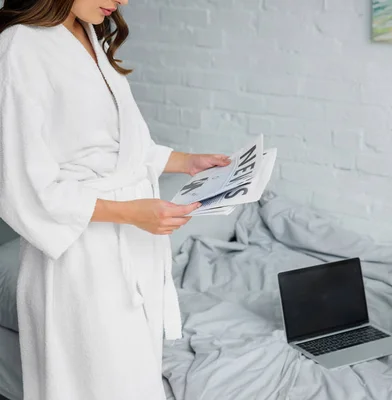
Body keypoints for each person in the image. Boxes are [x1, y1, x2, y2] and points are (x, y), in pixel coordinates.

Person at [0, 1, 231, 399]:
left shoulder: (91, 35)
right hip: (79, 253)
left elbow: (125, 147)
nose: (122, 0)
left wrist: (188, 162)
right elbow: (21, 181)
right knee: (93, 384)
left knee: (135, 379)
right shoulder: (19, 46)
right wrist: (128, 213)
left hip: (132, 243)